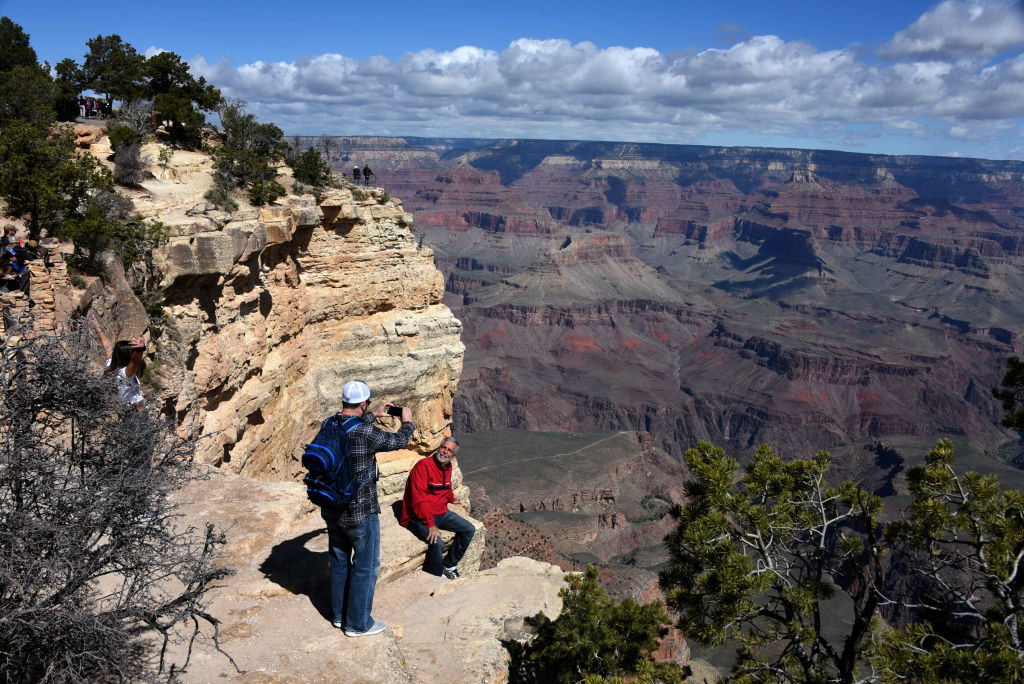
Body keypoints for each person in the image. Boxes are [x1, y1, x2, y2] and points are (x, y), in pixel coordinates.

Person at [322, 380, 413, 637]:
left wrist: (373, 416)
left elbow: (356, 430)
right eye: (368, 404)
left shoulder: (329, 423)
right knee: (366, 565)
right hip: (360, 511)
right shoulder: (364, 433)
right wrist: (406, 421)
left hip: (331, 507)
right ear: (363, 403)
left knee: (339, 560)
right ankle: (358, 624)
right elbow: (398, 441)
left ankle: (339, 616)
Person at [399, 437, 475, 579]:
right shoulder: (423, 466)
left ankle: (449, 565)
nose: (445, 452)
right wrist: (430, 525)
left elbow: (446, 486)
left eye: (449, 450)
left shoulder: (448, 466)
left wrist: (451, 499)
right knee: (437, 542)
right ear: (439, 448)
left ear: (453, 456)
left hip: (440, 512)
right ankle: (435, 577)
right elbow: (418, 499)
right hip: (416, 517)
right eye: (443, 448)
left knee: (469, 529)